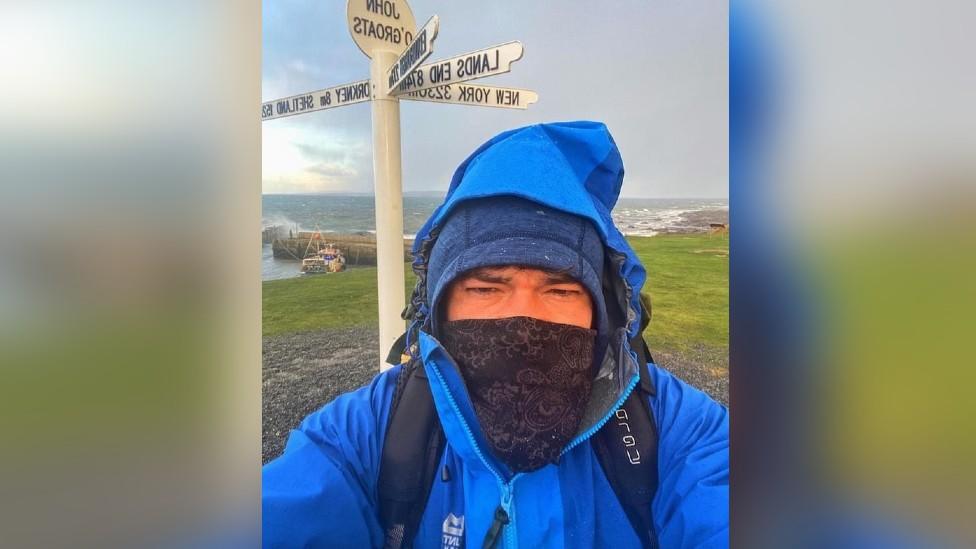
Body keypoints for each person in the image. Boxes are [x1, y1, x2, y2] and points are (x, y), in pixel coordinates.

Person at [263, 121, 729, 548]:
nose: (523, 317)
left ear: (601, 310)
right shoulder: (369, 433)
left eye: (561, 289)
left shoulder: (676, 430)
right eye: (486, 287)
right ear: (439, 308)